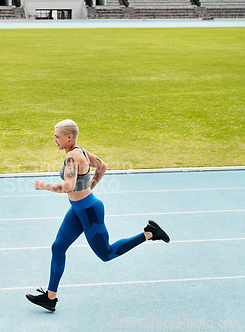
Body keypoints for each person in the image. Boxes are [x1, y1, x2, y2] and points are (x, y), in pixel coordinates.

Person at [26, 119, 170, 312]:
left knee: (106, 254)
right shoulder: (81, 152)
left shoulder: (72, 158)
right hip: (79, 209)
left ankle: (149, 234)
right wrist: (90, 187)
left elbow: (68, 186)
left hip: (89, 212)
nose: (54, 141)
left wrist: (45, 187)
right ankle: (50, 298)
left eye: (57, 137)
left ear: (69, 137)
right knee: (58, 247)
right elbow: (102, 166)